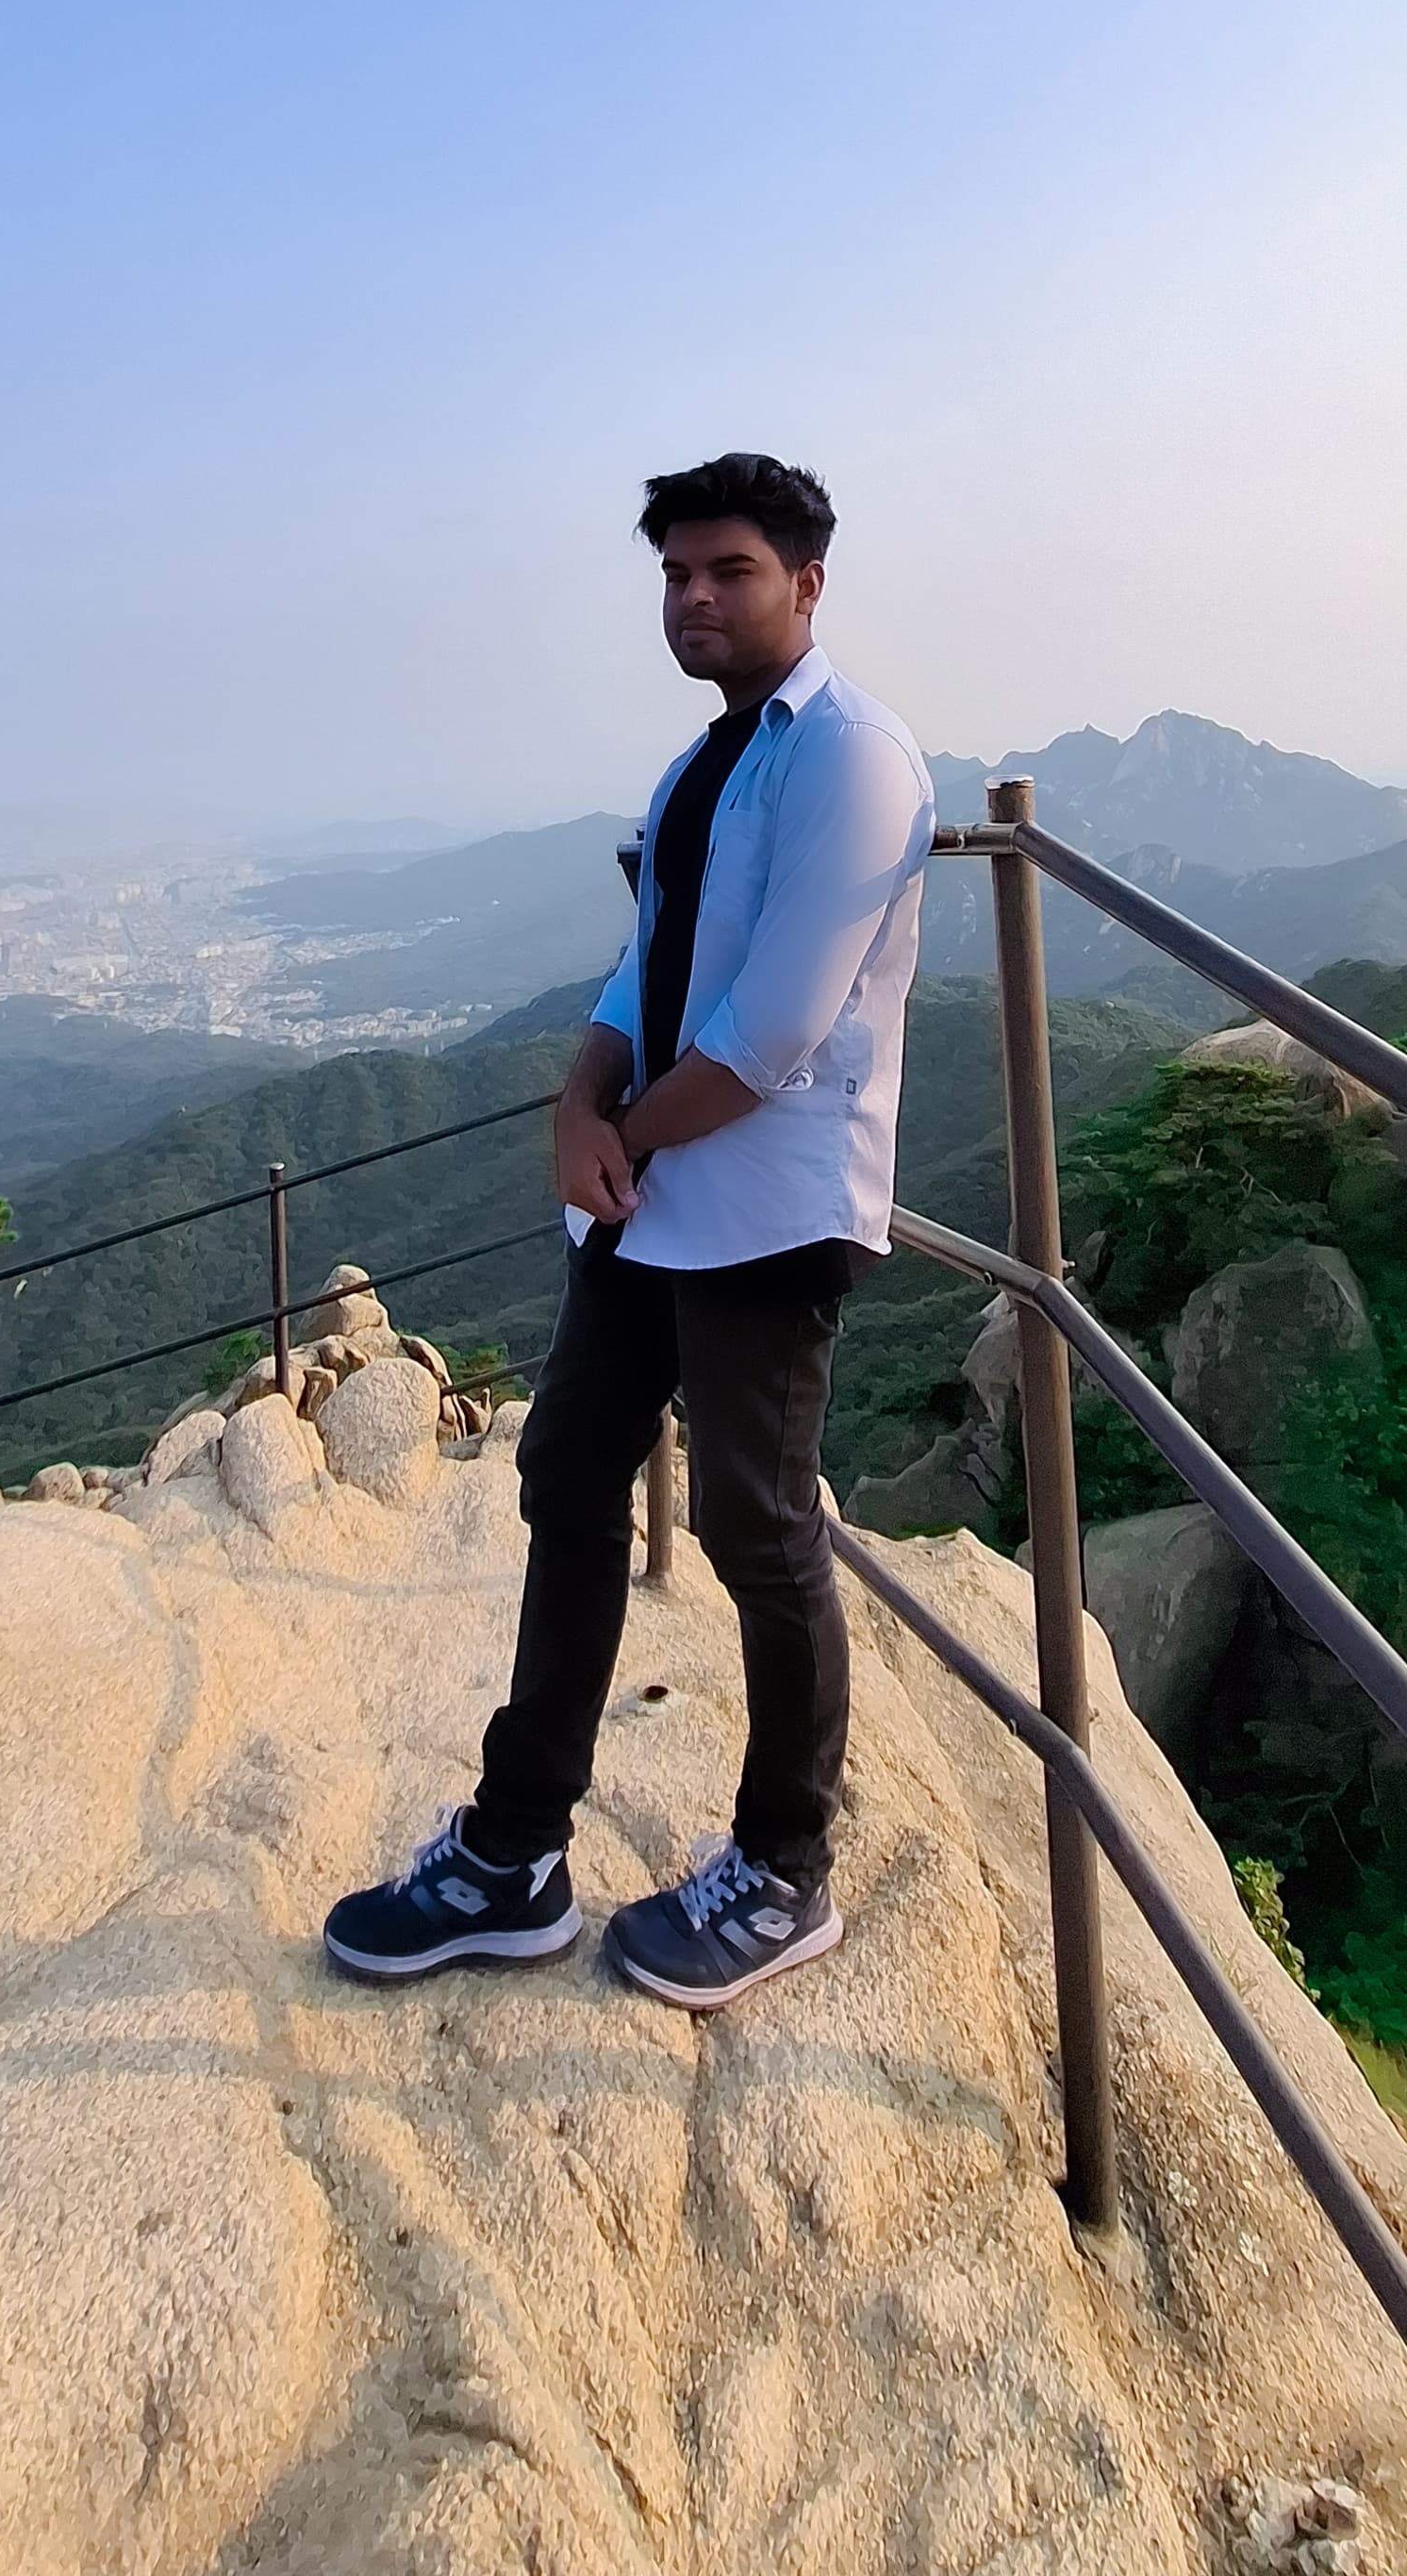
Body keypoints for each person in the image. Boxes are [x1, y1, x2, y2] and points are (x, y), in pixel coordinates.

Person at [324, 453, 934, 2009]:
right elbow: (641, 980)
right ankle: (514, 1850)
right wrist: (576, 1107)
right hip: (648, 1205)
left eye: (726, 570)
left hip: (771, 1212)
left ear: (806, 583)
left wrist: (615, 1135)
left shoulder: (853, 759)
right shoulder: (703, 768)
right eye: (674, 575)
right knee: (567, 1475)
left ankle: (786, 1872)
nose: (693, 599)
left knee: (754, 1524)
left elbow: (773, 1034)